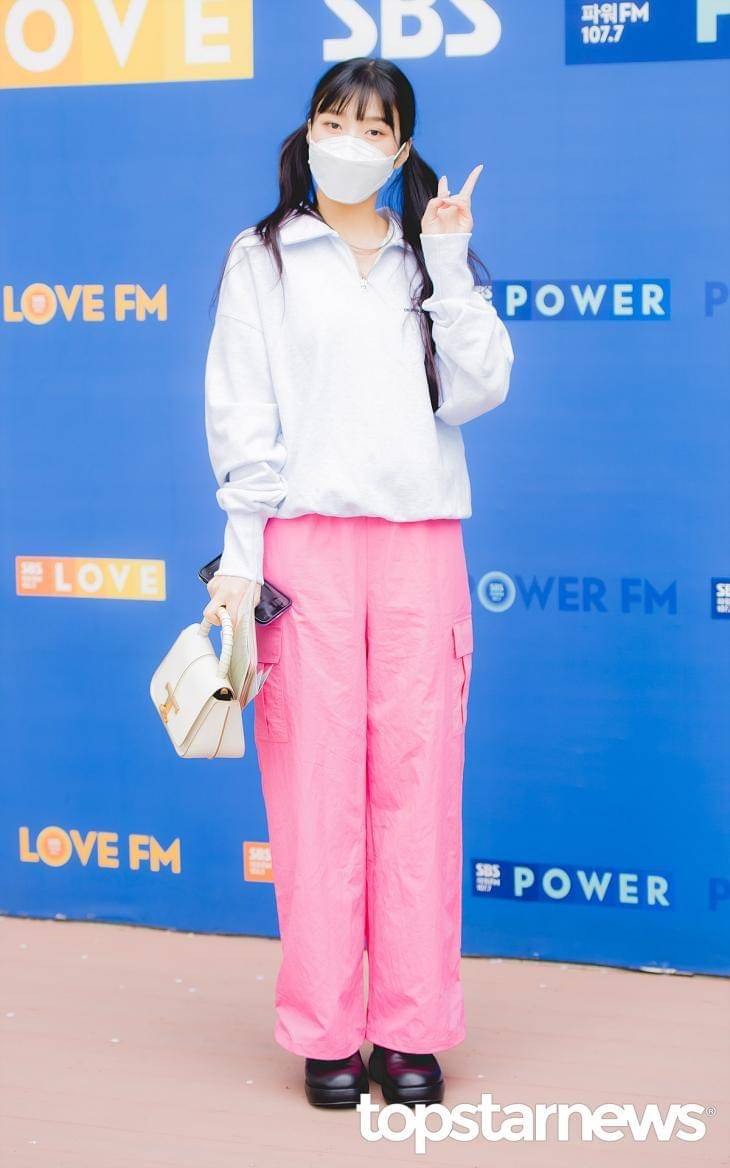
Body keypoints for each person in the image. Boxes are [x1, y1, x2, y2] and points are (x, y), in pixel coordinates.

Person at [202, 56, 514, 1109]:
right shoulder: (264, 257)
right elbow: (241, 411)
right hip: (307, 550)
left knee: (419, 795)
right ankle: (325, 1029)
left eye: (374, 129)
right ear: (308, 132)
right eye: (335, 120)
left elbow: (477, 390)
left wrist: (452, 263)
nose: (351, 141)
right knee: (314, 798)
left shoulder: (429, 260)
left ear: (401, 149)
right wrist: (241, 561)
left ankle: (411, 1029)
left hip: (421, 547)